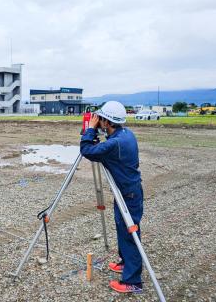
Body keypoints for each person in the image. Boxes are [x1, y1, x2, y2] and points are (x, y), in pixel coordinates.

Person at [80, 101, 144, 294]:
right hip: (128, 190)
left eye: (100, 119)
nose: (97, 121)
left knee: (130, 233)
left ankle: (133, 281)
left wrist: (90, 130)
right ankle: (126, 263)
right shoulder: (125, 134)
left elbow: (87, 151)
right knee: (124, 229)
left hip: (127, 193)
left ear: (107, 122)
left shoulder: (114, 143)